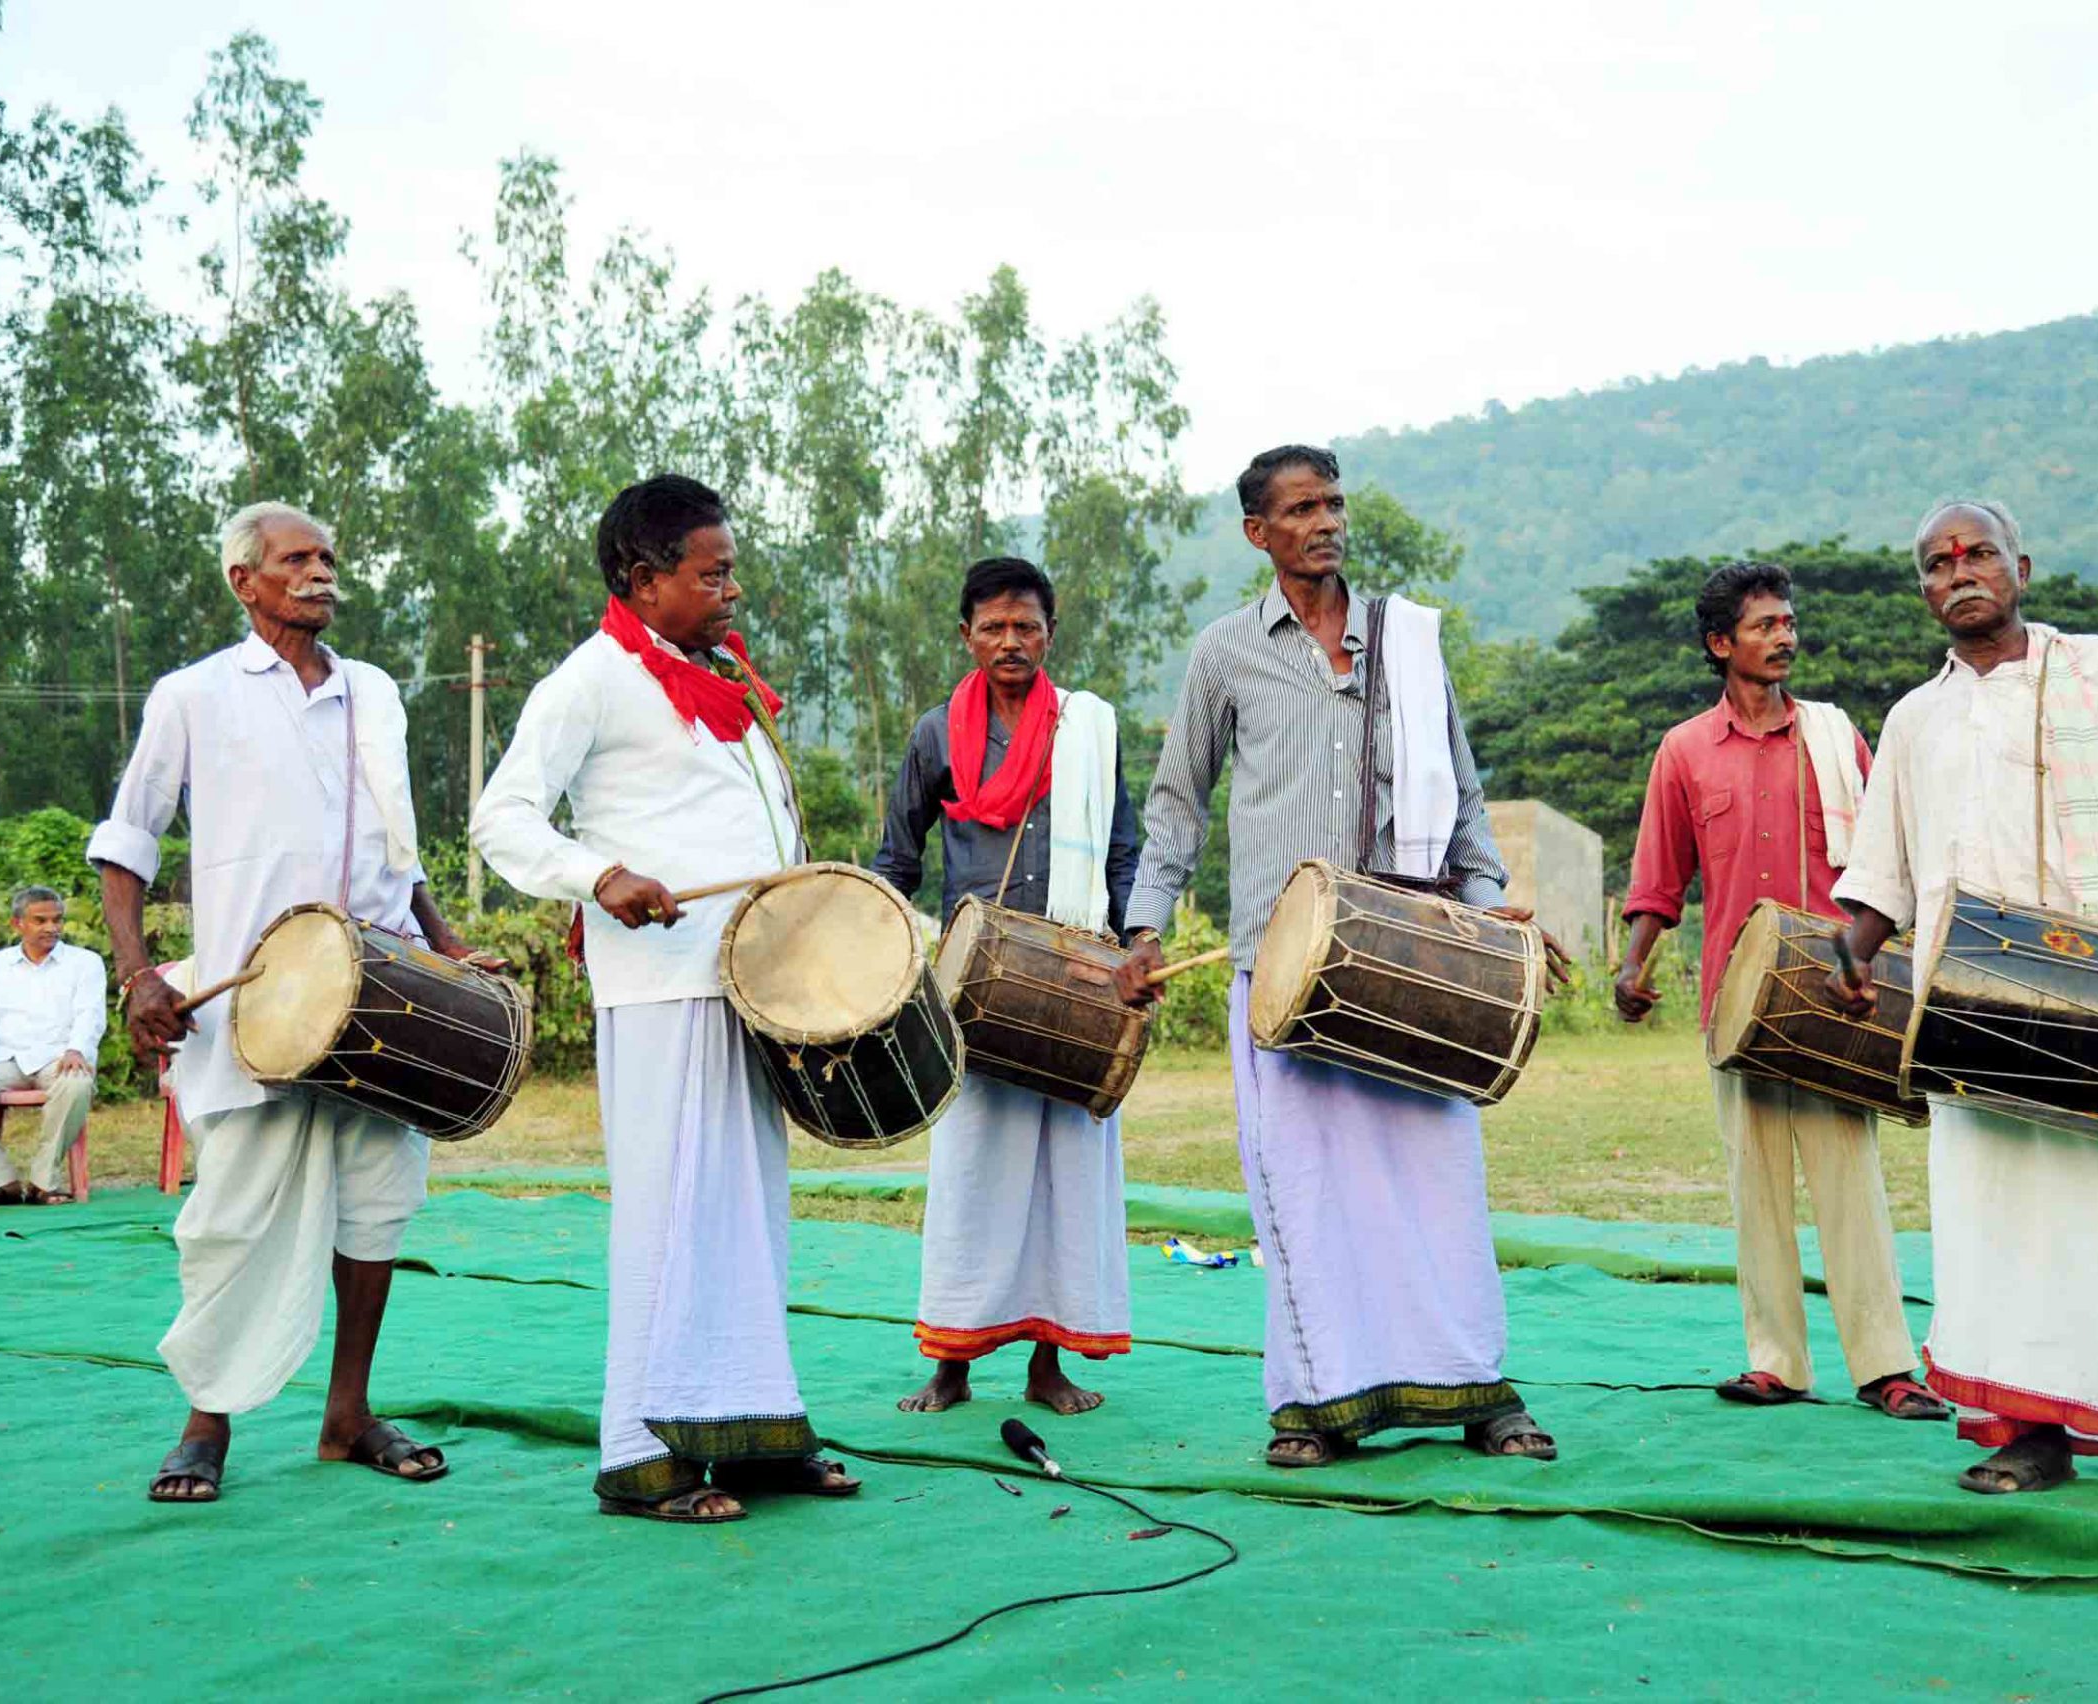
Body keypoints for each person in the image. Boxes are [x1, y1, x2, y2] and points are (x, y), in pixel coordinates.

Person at [1113, 443, 1568, 1469]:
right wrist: (1143, 928)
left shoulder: (1403, 644)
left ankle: (1477, 1392)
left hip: (1413, 956)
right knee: (1303, 1195)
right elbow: (1177, 803)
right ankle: (1317, 1405)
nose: (1325, 522)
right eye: (1301, 508)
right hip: (1278, 972)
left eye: (1333, 503)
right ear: (1257, 533)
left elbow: (1458, 785)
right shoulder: (1223, 654)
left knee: (1437, 1182)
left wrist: (1485, 914)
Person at [1828, 498, 2098, 1515]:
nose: (1958, 572)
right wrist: (1851, 956)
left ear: (2018, 566)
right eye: (1937, 564)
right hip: (1968, 1005)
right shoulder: (1912, 719)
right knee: (1998, 1228)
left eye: (1977, 553)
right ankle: (2031, 1434)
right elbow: (1881, 874)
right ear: (1924, 590)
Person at [472, 474, 859, 1523]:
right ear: (643, 582)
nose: (731, 588)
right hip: (659, 992)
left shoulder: (715, 673)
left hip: (746, 987)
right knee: (666, 1218)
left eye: (730, 567)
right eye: (710, 572)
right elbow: (501, 819)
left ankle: (751, 1434)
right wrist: (600, 876)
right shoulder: (590, 679)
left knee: (746, 1217)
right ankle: (642, 1458)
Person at [92, 501, 482, 1504]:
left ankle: (347, 1417)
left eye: (327, 558)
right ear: (244, 582)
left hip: (384, 993)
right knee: (230, 1215)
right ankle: (204, 1423)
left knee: (377, 1205)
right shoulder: (194, 696)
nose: (320, 573)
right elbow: (128, 844)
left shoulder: (376, 693)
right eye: (295, 559)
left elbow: (401, 845)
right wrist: (139, 977)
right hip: (256, 1002)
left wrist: (444, 946)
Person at [1614, 562, 1944, 1422]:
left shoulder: (1837, 740)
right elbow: (1660, 879)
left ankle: (1885, 1368)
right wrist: (1631, 967)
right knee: (1752, 1186)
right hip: (1735, 1003)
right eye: (1765, 626)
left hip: (1838, 994)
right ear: (1722, 645)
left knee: (1851, 1182)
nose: (1785, 637)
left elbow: (1884, 866)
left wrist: (1882, 963)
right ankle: (1776, 1362)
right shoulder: (1683, 751)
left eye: (1789, 623)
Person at [874, 556, 1140, 1417]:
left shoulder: (1089, 731)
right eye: (993, 626)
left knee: (1070, 1178)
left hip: (1075, 978)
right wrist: (881, 955)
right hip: (972, 991)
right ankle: (951, 1365)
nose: (1011, 640)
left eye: (1026, 625)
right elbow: (898, 860)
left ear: (1049, 633)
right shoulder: (934, 736)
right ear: (967, 636)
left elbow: (1124, 851)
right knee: (969, 1177)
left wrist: (1138, 947)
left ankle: (1048, 1368)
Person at [0, 887, 105, 1205]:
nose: (51, 927)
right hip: (5, 1058)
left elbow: (90, 1014)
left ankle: (44, 1183)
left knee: (77, 1083)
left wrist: (76, 1049)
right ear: (18, 925)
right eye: (40, 920)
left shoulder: (85, 963)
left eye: (57, 920)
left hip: (60, 1056)